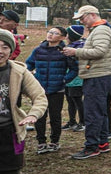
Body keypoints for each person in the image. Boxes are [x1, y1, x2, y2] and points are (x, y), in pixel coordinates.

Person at [0, 29, 46, 174]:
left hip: (10, 133)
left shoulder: (18, 72)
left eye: (5, 46)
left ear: (11, 50)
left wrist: (33, 115)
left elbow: (39, 97)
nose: (0, 50)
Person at [62, 6, 111, 159]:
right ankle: (102, 143)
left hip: (97, 76)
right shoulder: (98, 30)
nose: (81, 22)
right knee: (100, 111)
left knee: (92, 112)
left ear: (92, 15)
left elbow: (99, 51)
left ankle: (92, 147)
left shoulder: (101, 30)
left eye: (82, 18)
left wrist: (75, 52)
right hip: (97, 75)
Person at [24, 26, 76, 154]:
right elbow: (28, 65)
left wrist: (64, 80)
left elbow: (75, 69)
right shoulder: (38, 50)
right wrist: (30, 78)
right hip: (39, 90)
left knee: (55, 117)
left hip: (57, 90)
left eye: (55, 33)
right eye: (49, 32)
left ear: (63, 37)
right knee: (39, 116)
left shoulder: (65, 52)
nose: (50, 35)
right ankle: (41, 142)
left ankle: (54, 141)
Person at [61, 25, 85, 131]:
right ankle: (72, 121)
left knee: (78, 101)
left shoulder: (79, 47)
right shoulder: (69, 46)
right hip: (68, 77)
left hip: (77, 79)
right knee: (70, 100)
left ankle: (83, 122)